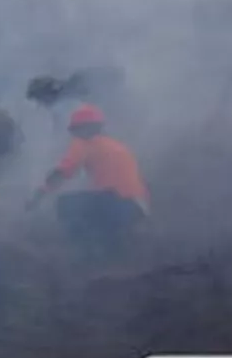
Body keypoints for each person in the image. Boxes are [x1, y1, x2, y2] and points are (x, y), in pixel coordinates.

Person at [26, 104, 150, 258]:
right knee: (89, 204)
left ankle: (82, 254)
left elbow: (64, 171)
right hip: (137, 207)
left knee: (66, 204)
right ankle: (113, 248)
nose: (75, 135)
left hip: (116, 204)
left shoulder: (84, 142)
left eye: (77, 130)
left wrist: (40, 194)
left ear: (83, 128)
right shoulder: (116, 144)